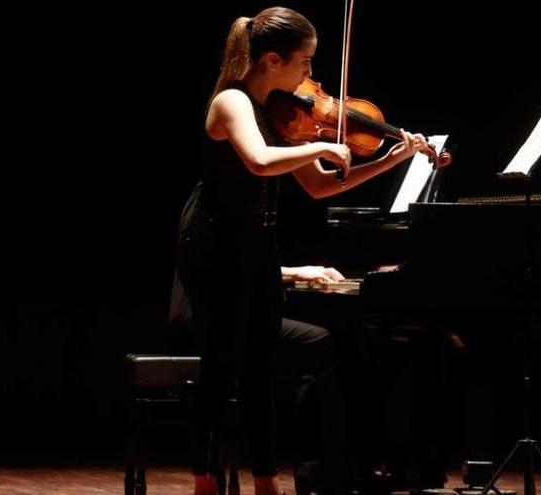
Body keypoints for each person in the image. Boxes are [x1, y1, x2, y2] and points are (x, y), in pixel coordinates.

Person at [176, 6, 433, 495]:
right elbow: (258, 160)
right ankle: (205, 484)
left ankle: (267, 481)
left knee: (260, 369)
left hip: (255, 244)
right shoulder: (231, 102)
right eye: (307, 63)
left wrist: (390, 160)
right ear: (273, 59)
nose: (312, 78)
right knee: (222, 365)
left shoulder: (280, 114)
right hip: (213, 247)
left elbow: (317, 188)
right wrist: (319, 148)